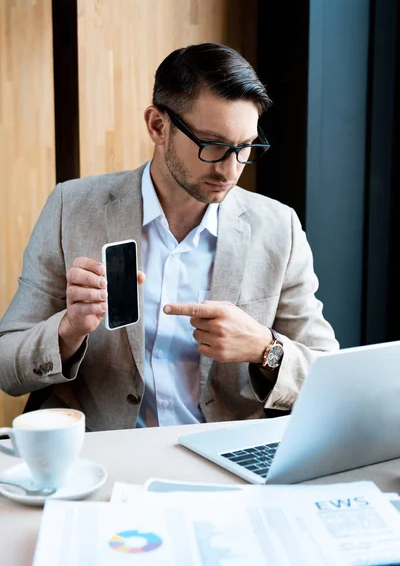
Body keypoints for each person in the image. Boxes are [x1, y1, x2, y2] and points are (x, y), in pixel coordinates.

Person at [0, 43, 338, 432]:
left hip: (227, 458)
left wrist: (266, 348)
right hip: (110, 458)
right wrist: (68, 329)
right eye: (213, 145)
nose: (231, 169)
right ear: (158, 126)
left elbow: (328, 374)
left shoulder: (279, 227)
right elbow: (8, 367)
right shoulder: (71, 208)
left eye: (245, 148)